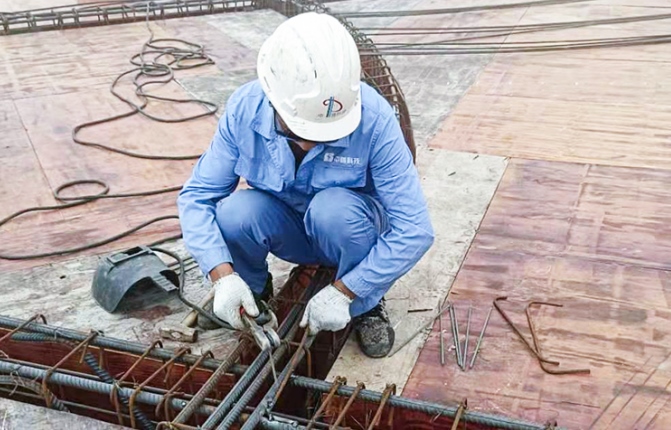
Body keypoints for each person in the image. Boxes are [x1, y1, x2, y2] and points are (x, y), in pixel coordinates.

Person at [176, 11, 434, 358]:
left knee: (334, 211)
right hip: (287, 230)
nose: (311, 145)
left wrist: (346, 291)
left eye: (328, 133)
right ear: (272, 98)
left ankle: (366, 305)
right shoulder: (244, 109)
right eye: (299, 132)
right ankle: (250, 292)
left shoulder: (374, 119)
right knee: (235, 211)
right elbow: (197, 198)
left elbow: (415, 229)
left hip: (348, 234)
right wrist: (222, 276)